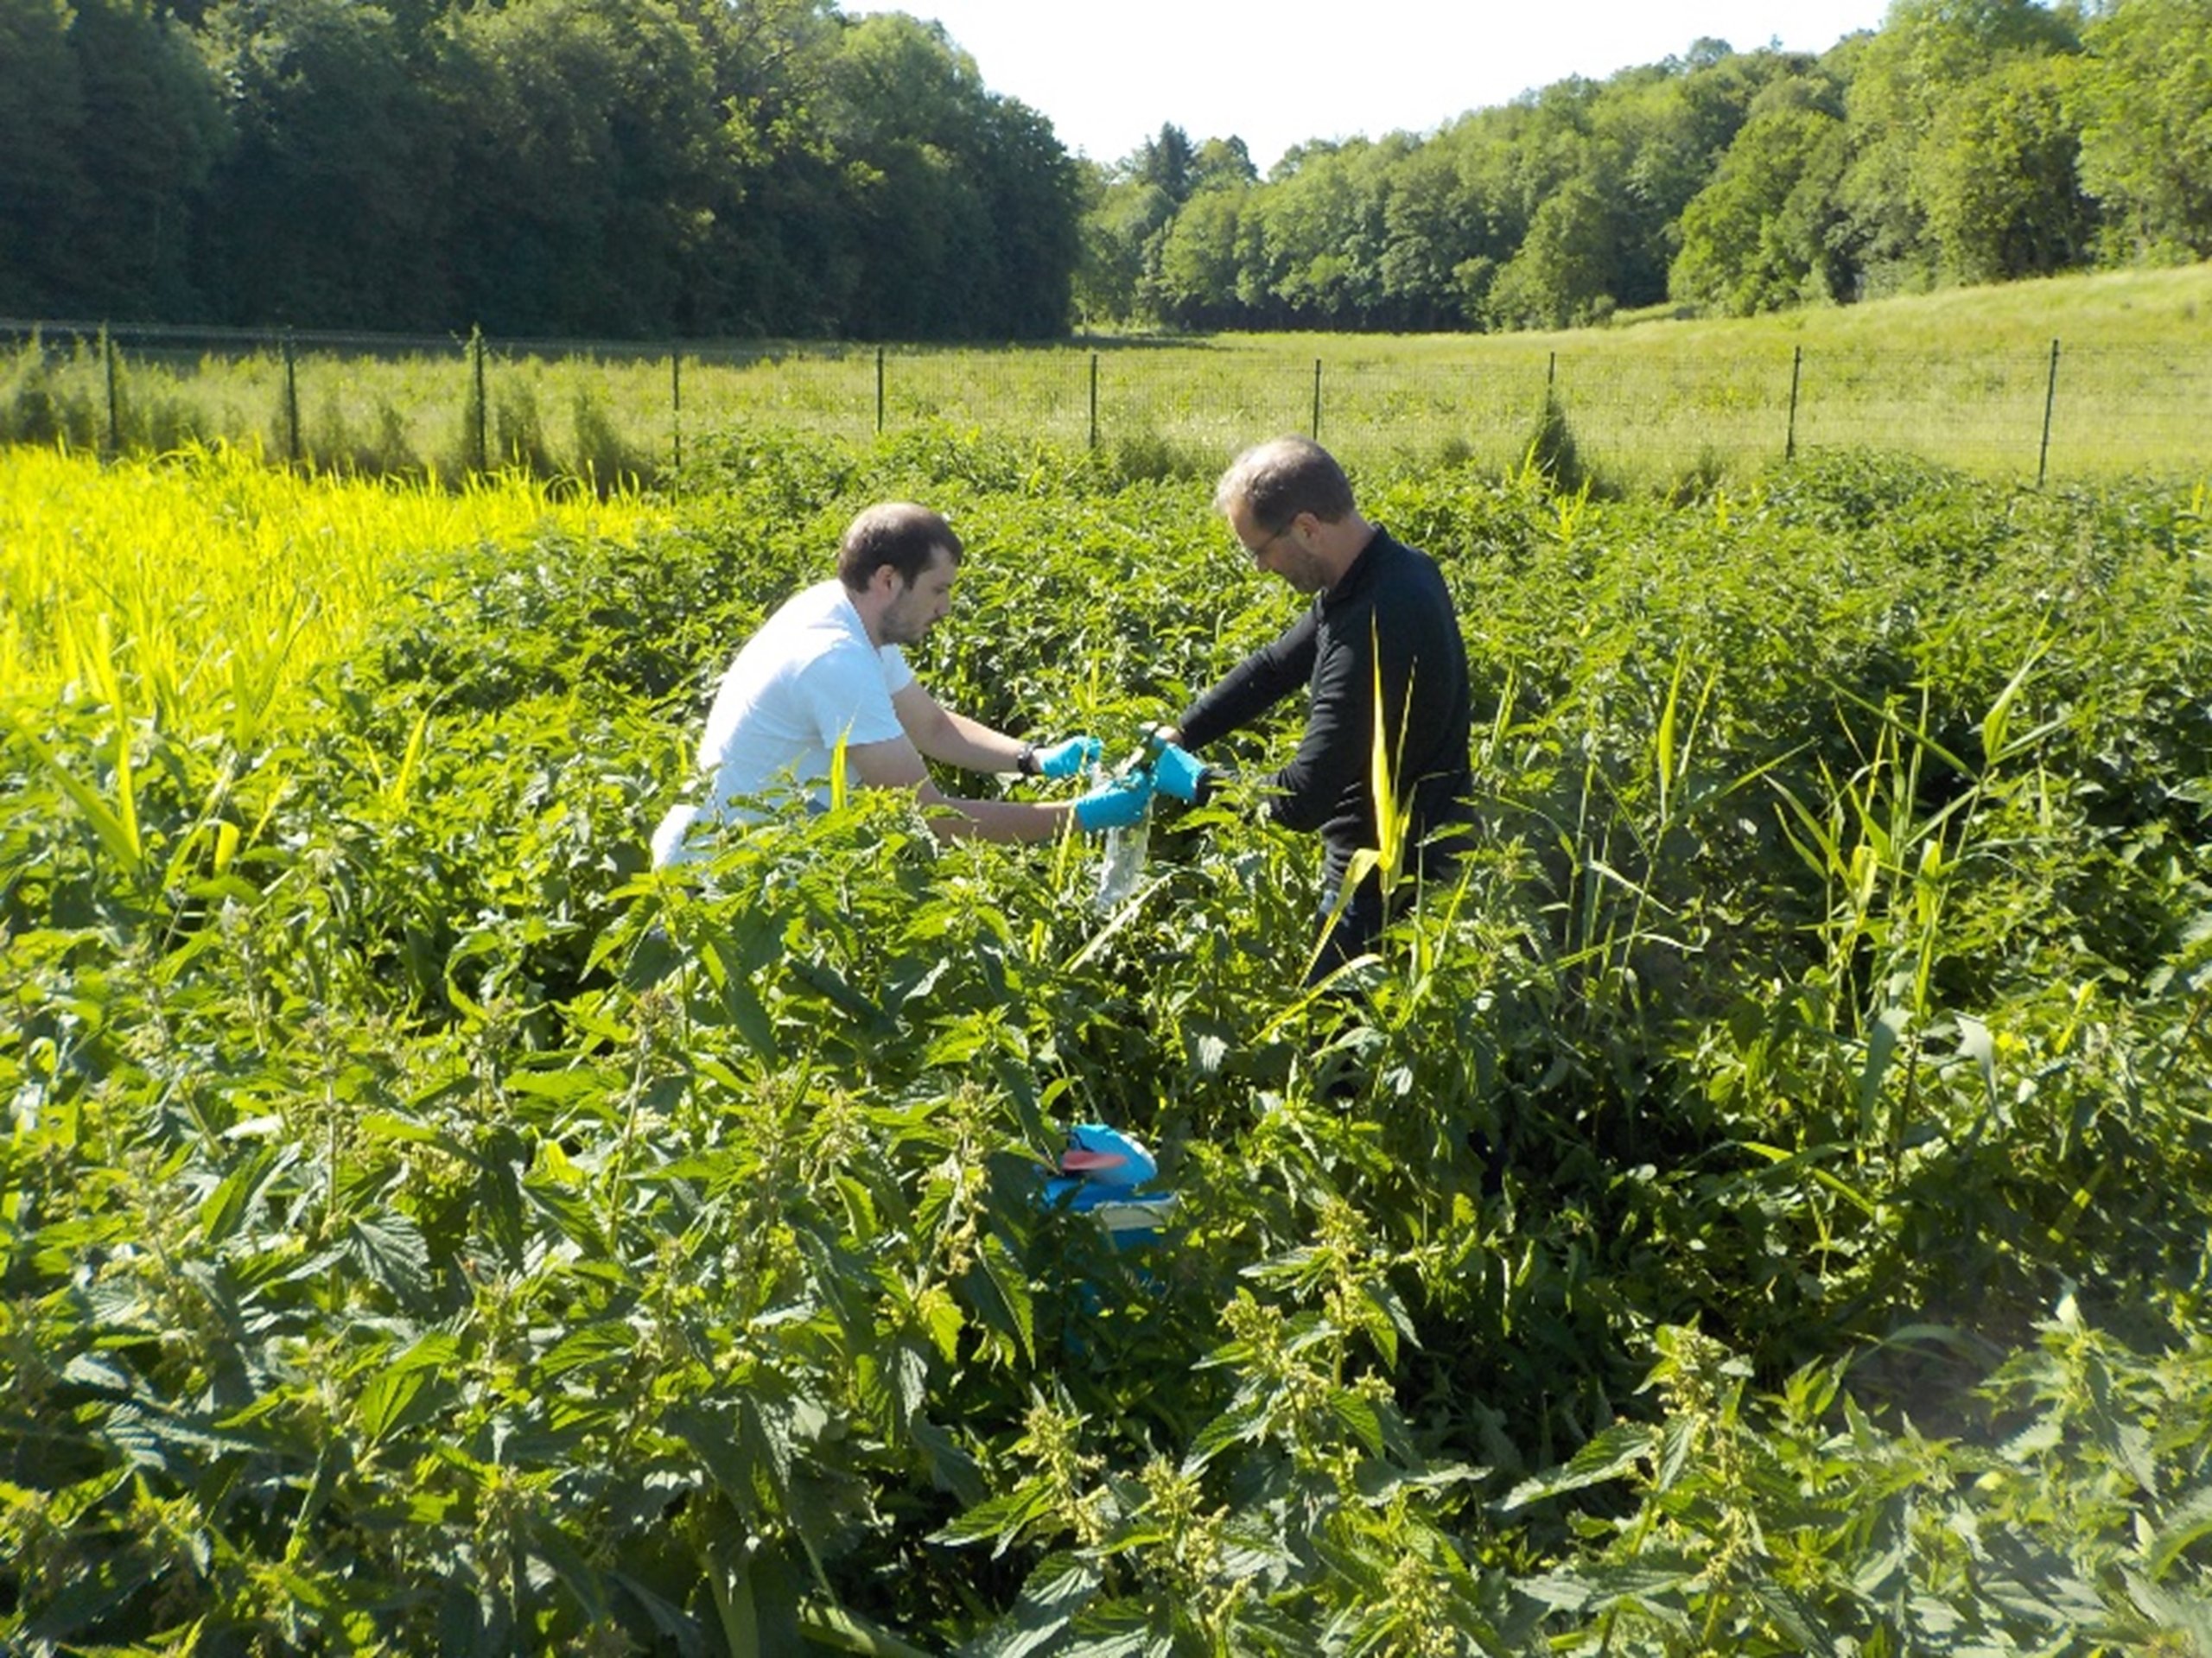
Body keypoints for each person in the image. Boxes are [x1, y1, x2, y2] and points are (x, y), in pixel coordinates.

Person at [651, 501, 1149, 867]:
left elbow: (930, 727)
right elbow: (932, 818)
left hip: (761, 860)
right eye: (938, 590)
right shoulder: (834, 660)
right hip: (713, 876)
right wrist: (1080, 816)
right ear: (888, 579)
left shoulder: (851, 616)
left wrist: (1035, 758)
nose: (945, 608)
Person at [1147, 437, 1474, 975]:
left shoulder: (1374, 623)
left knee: (1330, 1024)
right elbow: (1275, 667)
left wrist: (1194, 781)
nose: (1259, 568)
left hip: (1383, 889)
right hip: (1408, 863)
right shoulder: (1391, 571)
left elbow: (1302, 799)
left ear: (1306, 528)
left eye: (1258, 550)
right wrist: (1181, 732)